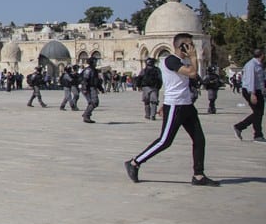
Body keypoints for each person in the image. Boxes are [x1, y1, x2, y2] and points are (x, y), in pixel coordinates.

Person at [125, 33, 219, 186]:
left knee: (199, 139)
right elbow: (193, 74)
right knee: (165, 141)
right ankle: (135, 162)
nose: (192, 47)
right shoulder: (171, 60)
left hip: (187, 104)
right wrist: (194, 56)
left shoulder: (181, 61)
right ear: (181, 46)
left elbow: (178, 82)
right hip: (175, 105)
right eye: (189, 44)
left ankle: (198, 175)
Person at [233, 48, 264, 142]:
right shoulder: (251, 65)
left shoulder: (259, 65)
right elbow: (251, 79)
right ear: (262, 55)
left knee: (259, 113)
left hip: (257, 91)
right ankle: (242, 128)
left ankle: (257, 134)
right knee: (258, 113)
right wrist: (252, 93)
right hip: (251, 91)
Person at [80, 59, 102, 124]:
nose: (96, 63)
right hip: (88, 87)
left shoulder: (94, 70)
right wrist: (84, 88)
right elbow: (85, 79)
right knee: (94, 102)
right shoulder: (88, 70)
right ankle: (86, 115)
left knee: (91, 102)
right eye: (95, 62)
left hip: (92, 87)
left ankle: (86, 116)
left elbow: (96, 80)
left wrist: (100, 88)